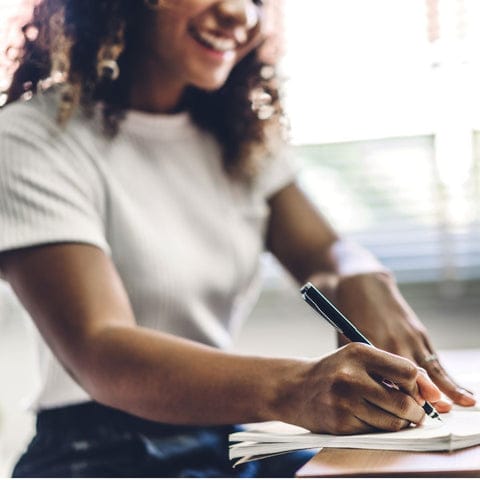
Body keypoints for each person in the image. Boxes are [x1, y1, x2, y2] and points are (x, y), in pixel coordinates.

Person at [0, 0, 476, 477]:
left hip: (224, 434)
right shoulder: (28, 139)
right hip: (94, 452)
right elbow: (100, 347)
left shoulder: (235, 135)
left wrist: (359, 275)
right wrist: (297, 386)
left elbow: (319, 250)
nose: (238, 12)